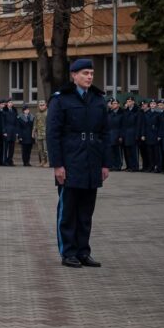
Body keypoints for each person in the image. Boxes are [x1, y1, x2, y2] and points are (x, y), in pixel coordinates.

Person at [47, 59, 111, 268]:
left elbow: (105, 133)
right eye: (85, 73)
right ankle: (68, 252)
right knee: (68, 211)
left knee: (86, 211)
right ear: (74, 75)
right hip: (70, 161)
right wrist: (57, 165)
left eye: (91, 73)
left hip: (92, 161)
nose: (90, 77)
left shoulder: (98, 99)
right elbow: (53, 135)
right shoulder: (61, 99)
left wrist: (105, 163)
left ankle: (83, 251)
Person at [120, 96, 141, 171]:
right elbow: (123, 124)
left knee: (133, 151)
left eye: (129, 101)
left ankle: (135, 167)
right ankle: (129, 166)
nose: (128, 102)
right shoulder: (125, 111)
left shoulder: (137, 111)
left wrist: (137, 135)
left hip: (133, 133)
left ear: (133, 102)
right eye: (127, 101)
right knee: (127, 151)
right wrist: (122, 135)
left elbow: (138, 124)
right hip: (126, 134)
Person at [106, 99, 123, 171]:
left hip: (117, 135)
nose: (114, 105)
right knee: (111, 151)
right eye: (113, 103)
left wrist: (121, 136)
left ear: (118, 105)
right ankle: (112, 165)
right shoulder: (109, 114)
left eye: (115, 103)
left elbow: (122, 126)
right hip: (110, 135)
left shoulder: (121, 114)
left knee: (117, 151)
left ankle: (118, 165)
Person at [34, 99, 49, 166]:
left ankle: (48, 161)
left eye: (43, 105)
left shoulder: (48, 113)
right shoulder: (37, 114)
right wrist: (33, 132)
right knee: (40, 150)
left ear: (46, 105)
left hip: (46, 134)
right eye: (40, 105)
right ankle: (43, 161)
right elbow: (35, 124)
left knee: (46, 149)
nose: (41, 106)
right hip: (39, 134)